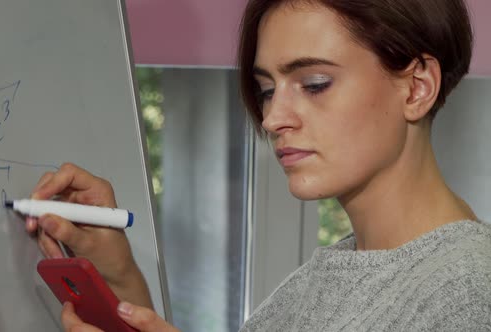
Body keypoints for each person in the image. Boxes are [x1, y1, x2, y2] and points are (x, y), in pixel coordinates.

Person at [26, 0, 491, 330]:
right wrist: (118, 274)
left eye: (314, 83)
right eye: (268, 89)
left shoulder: (468, 294)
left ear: (416, 87)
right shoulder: (319, 281)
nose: (272, 118)